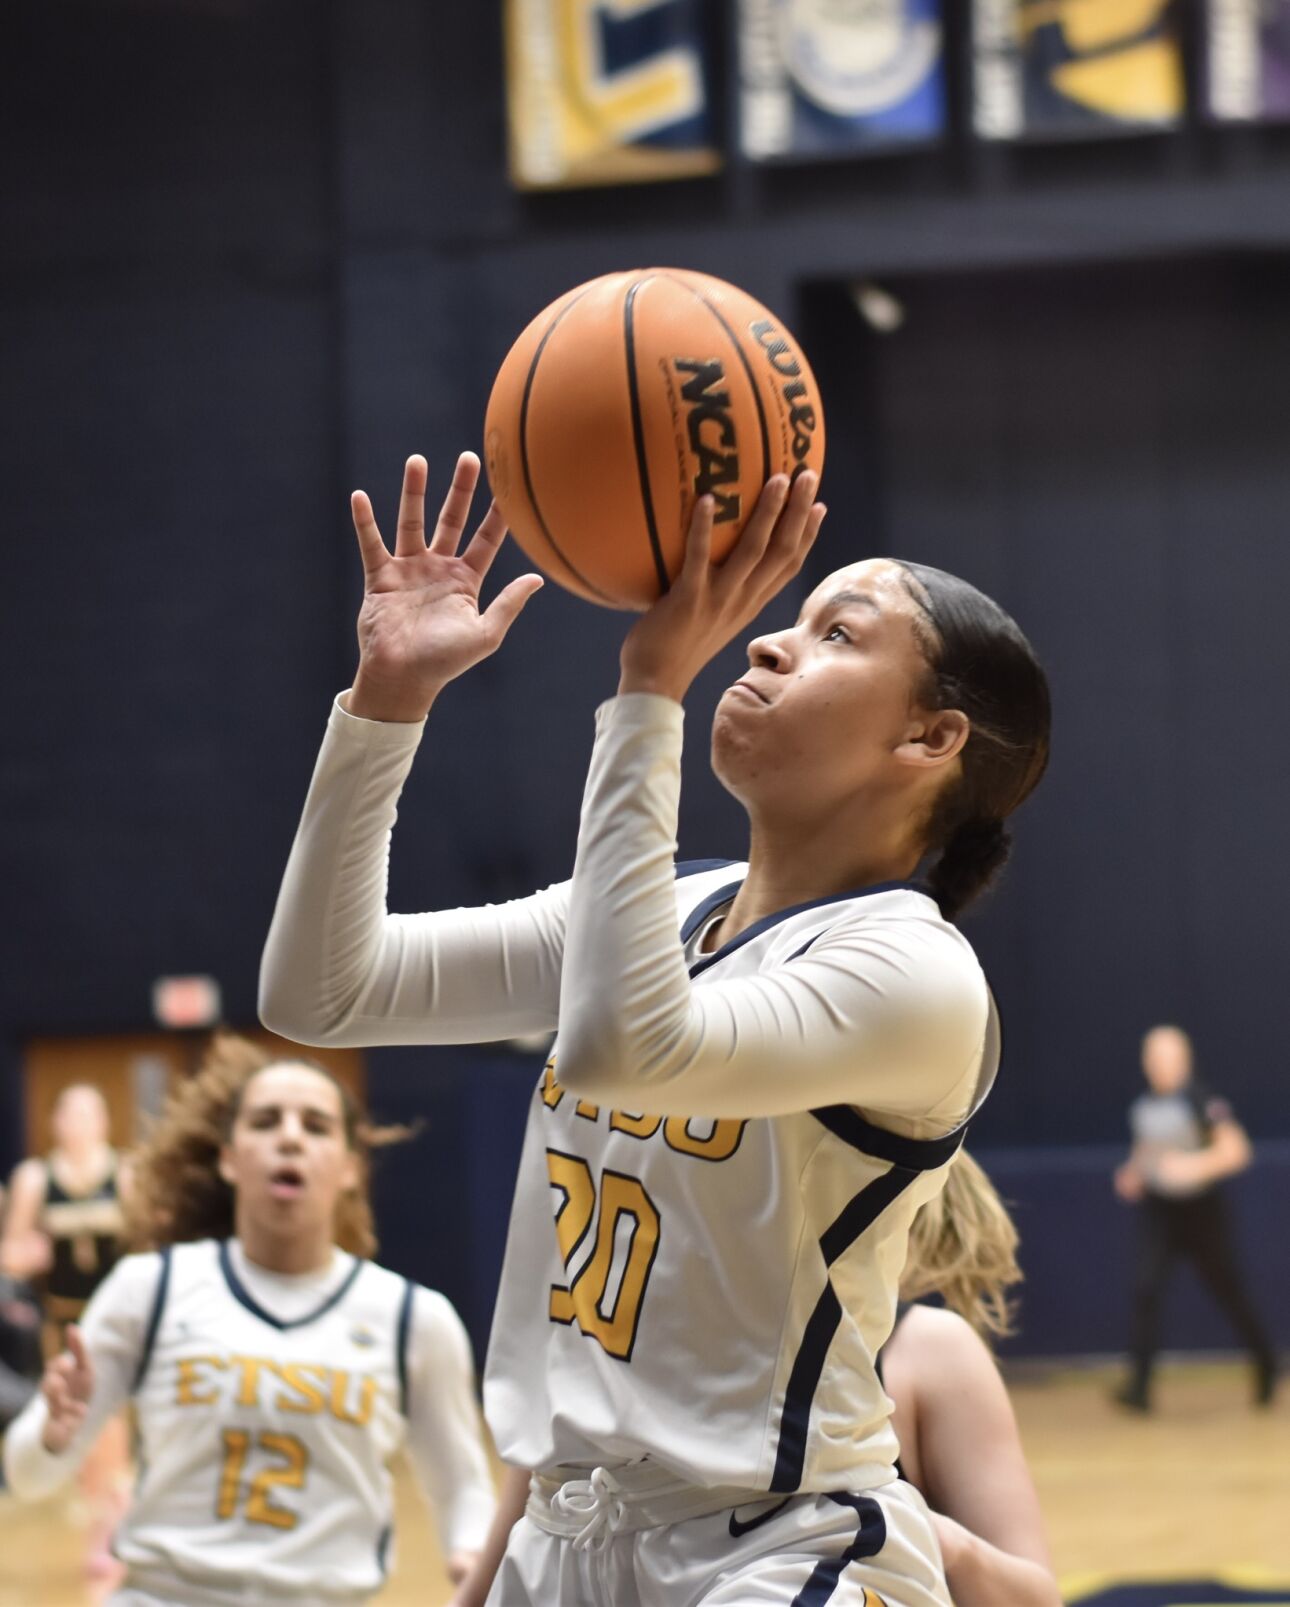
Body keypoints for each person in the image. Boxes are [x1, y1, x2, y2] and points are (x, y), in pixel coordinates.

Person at [260, 452, 1051, 1606]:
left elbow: (630, 1046)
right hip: (559, 1534)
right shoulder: (660, 905)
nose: (770, 641)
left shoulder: (917, 968)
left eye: (838, 634)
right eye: (789, 619)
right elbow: (322, 991)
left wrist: (648, 692)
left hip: (775, 1545)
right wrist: (387, 704)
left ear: (930, 740)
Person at [3, 1032, 497, 1606]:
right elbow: (26, 1474)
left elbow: (463, 1488)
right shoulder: (151, 1288)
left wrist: (469, 1554)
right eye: (266, 1122)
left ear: (351, 1167)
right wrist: (52, 1436)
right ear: (228, 1158)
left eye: (315, 1126)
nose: (289, 1136)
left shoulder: (414, 1319)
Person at [0, 1082, 131, 1581]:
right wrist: (25, 1254)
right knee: (83, 1426)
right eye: (69, 1113)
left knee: (111, 1428)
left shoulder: (126, 1172)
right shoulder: (36, 1177)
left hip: (115, 1322)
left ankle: (110, 1524)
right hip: (63, 1324)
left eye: (88, 1113)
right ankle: (102, 1518)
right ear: (56, 1123)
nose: (78, 1123)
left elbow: (146, 1243)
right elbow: (11, 1253)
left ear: (103, 1122)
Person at [1113, 1022, 1277, 1411]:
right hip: (1161, 1213)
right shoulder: (1144, 1108)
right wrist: (1133, 1173)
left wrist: (1193, 1167)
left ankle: (1267, 1366)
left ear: (1183, 1060)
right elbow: (1147, 1152)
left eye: (1166, 1056)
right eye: (1152, 1056)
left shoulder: (1202, 1100)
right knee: (1146, 1289)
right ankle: (1139, 1389)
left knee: (1229, 1291)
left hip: (1202, 1214)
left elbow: (1237, 1150)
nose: (1159, 1064)